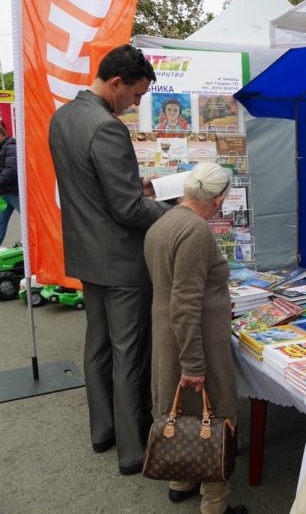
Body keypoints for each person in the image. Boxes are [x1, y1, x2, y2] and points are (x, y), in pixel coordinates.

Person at [48, 45, 172, 475]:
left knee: (98, 346)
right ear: (116, 82)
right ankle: (134, 449)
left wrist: (138, 184)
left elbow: (89, 184)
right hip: (121, 260)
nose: (135, 105)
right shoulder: (107, 127)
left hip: (86, 253)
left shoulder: (63, 117)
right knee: (131, 354)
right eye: (135, 96)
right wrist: (175, 211)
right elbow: (127, 210)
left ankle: (103, 431)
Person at [144, 162, 246, 514]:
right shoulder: (195, 232)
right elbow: (186, 300)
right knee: (213, 417)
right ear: (218, 199)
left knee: (180, 411)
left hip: (170, 336)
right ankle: (214, 505)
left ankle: (180, 481)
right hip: (194, 339)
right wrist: (194, 363)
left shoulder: (163, 222)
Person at [0, 125, 19, 246]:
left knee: (31, 222)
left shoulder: (11, 147)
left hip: (14, 193)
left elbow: (10, 170)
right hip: (4, 193)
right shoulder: (3, 148)